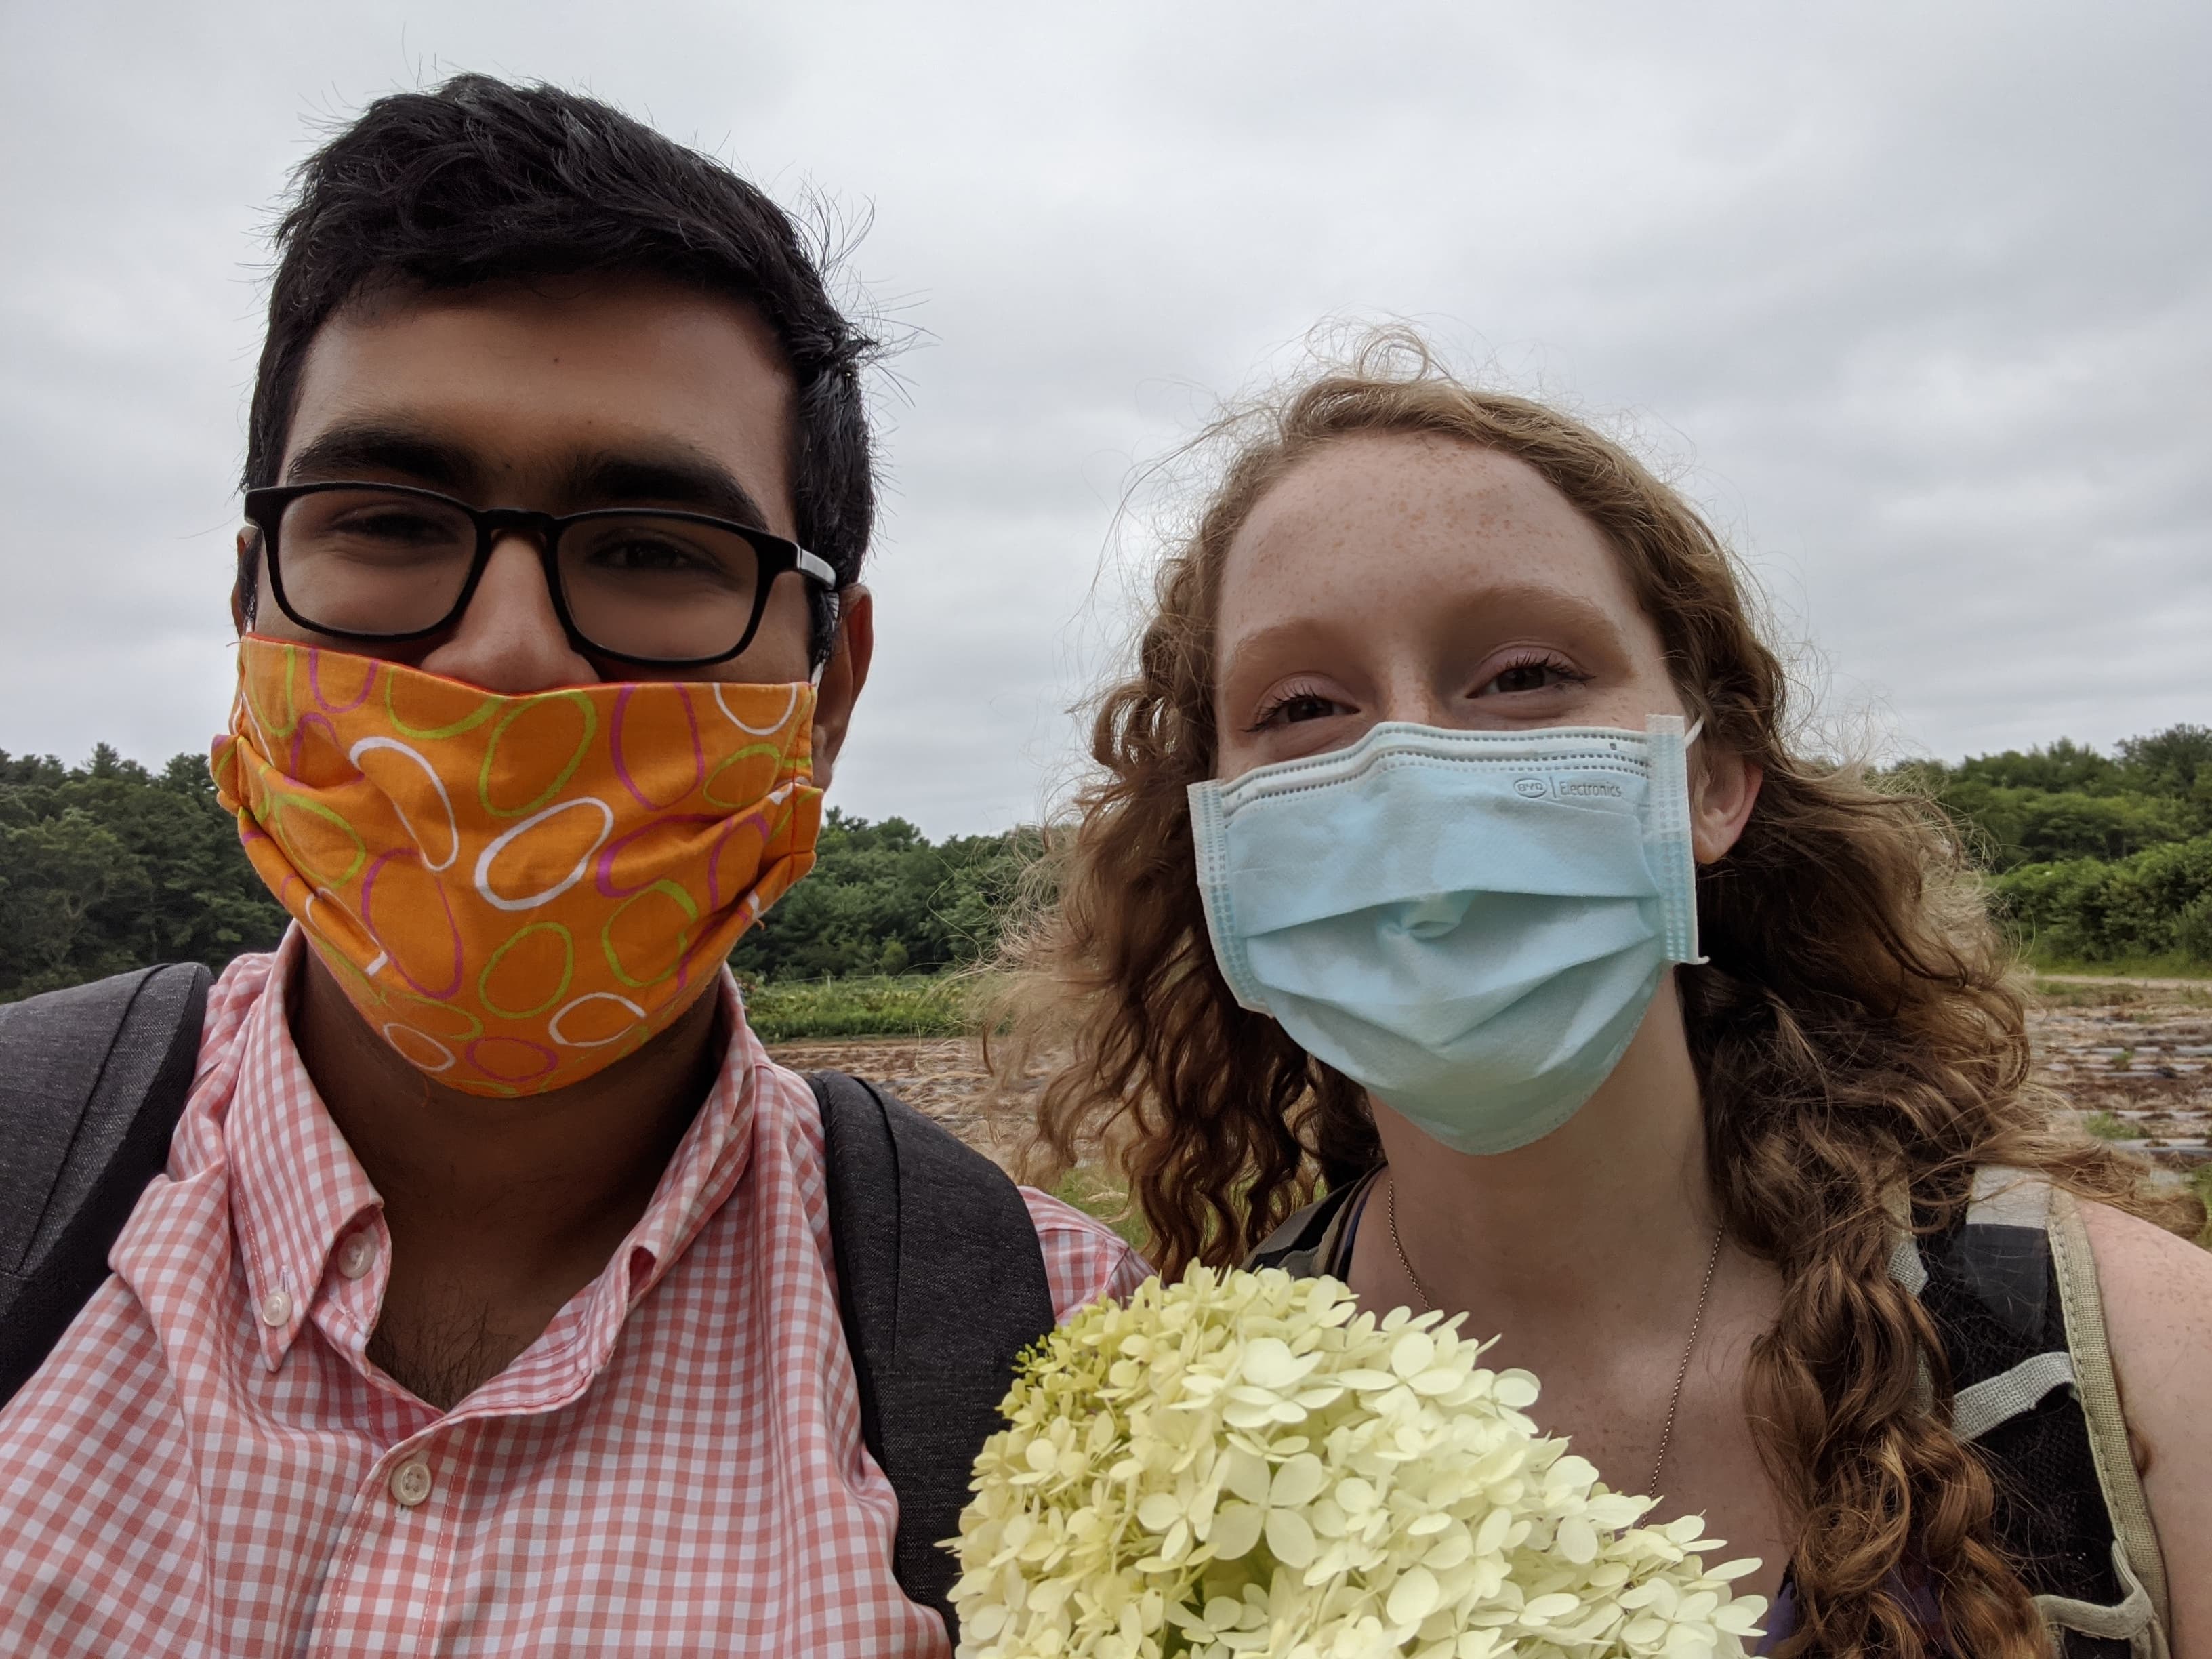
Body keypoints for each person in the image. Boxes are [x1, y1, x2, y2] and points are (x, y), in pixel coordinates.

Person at [0, 75, 1146, 1656]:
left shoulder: (1063, 1379)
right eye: (390, 523)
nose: (509, 651)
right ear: (251, 602)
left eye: (654, 551)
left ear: (832, 690)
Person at [993, 330, 2211, 1657]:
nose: (1411, 764)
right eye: (1302, 705)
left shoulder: (2129, 1364)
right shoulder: (1191, 1434)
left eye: (1524, 676)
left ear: (1711, 781)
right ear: (1218, 838)